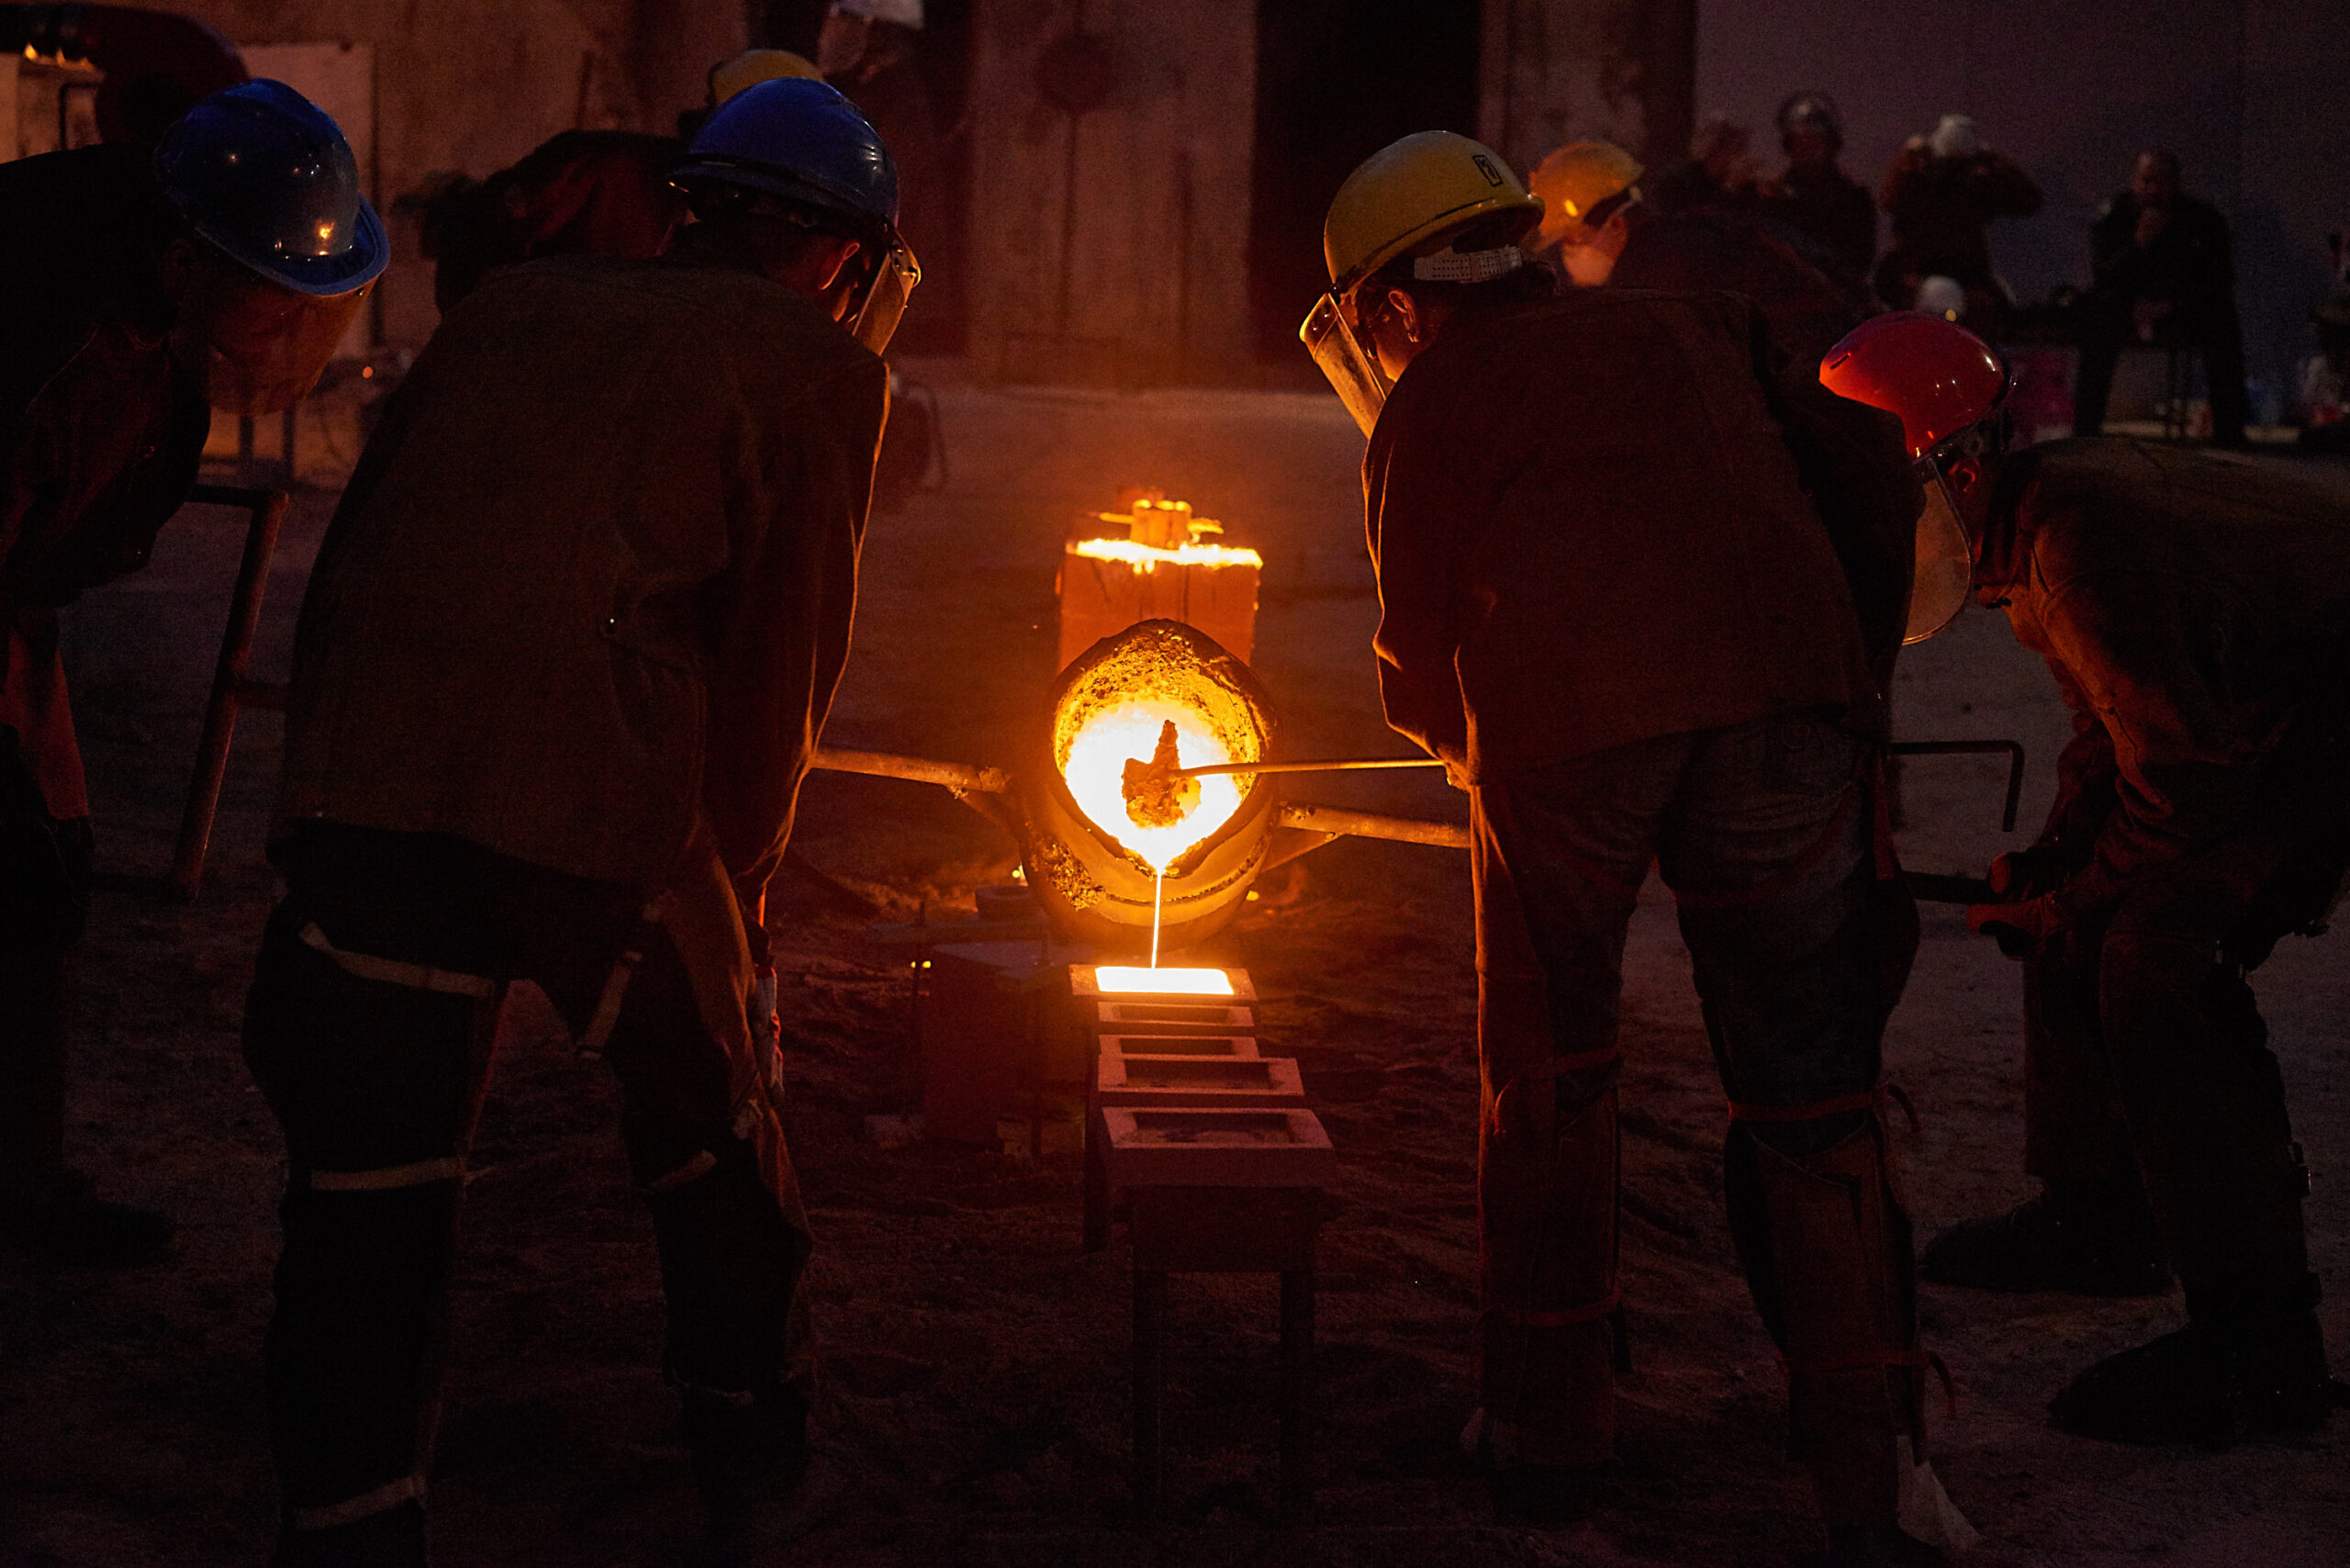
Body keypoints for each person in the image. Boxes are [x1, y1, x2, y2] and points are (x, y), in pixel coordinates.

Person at [241, 77, 913, 1566]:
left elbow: (367, 549)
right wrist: (737, 894)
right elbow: (779, 666)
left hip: (369, 781)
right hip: (591, 804)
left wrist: (323, 797)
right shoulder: (817, 363)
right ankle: (754, 1446)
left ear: (691, 208)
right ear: (838, 256)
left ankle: (348, 1520)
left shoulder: (509, 305)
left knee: (367, 1198)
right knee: (716, 1132)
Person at [1303, 131, 1959, 1563]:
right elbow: (1859, 473)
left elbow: (1414, 655)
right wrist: (1835, 674)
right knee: (1811, 1094)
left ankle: (1548, 1440)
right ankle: (1878, 1475)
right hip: (1788, 706)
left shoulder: (1428, 401)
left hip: (1571, 739)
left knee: (1551, 1073)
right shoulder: (1700, 322)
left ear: (1396, 303)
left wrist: (1469, 740)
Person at [1821, 312, 2350, 1446]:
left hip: (2330, 713)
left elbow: (2181, 783)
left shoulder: (2077, 546)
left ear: (1952, 468)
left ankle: (2261, 1343)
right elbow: (2107, 736)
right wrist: (2054, 869)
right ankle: (2100, 1214)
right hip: (2279, 695)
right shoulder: (2031, 529)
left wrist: (2077, 894)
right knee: (2068, 907)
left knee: (2158, 951)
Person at [0, 80, 384, 1268]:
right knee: (14, 864)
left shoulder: (142, 260)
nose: (283, 329)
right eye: (270, 298)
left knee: (42, 873)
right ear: (182, 262)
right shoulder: (37, 340)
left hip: (13, 589)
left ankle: (21, 1184)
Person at [1528, 138, 1868, 376]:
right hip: (1837, 361)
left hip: (1818, 380)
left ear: (1616, 224)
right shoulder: (1690, 236)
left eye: (1574, 239)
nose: (1569, 255)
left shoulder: (1657, 283)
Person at [2073, 150, 2250, 449]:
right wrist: (2139, 242)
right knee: (2097, 321)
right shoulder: (2114, 216)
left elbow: (2217, 279)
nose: (2155, 189)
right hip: (2126, 308)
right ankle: (2086, 430)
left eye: (2164, 181)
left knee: (2221, 322)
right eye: (2147, 181)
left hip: (2181, 307)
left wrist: (2172, 305)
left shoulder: (2203, 220)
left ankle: (2230, 432)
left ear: (2177, 183)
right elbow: (2105, 274)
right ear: (2134, 182)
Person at [1874, 115, 2042, 328]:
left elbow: (2030, 201)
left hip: (1969, 274)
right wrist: (1908, 158)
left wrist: (1993, 159)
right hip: (1920, 272)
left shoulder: (1976, 187)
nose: (1951, 171)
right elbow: (1887, 200)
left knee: (1995, 308)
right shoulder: (1916, 182)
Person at [1757, 92, 1877, 289]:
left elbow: (1861, 257)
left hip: (1838, 293)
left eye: (1816, 142)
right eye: (1802, 142)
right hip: (1786, 293)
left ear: (1832, 145)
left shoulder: (1853, 195)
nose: (1809, 150)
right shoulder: (1772, 195)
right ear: (1789, 145)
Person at [1646, 115, 1759, 218]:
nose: (1740, 158)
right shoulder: (1679, 183)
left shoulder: (1736, 190)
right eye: (1736, 150)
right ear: (1715, 149)